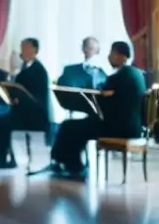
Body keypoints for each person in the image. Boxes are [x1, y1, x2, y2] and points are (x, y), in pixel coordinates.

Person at [50, 40, 146, 180]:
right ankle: (66, 162)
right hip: (134, 127)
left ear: (122, 56)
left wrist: (99, 97)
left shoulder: (118, 76)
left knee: (69, 126)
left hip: (118, 128)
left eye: (112, 53)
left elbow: (104, 104)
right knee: (78, 126)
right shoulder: (136, 74)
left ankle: (72, 166)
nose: (109, 57)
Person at [0, 38, 51, 169]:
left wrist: (19, 99)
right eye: (22, 47)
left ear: (35, 50)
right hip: (21, 111)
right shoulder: (23, 69)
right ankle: (4, 156)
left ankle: (5, 158)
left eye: (26, 48)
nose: (22, 51)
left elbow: (37, 97)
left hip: (33, 115)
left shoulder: (39, 71)